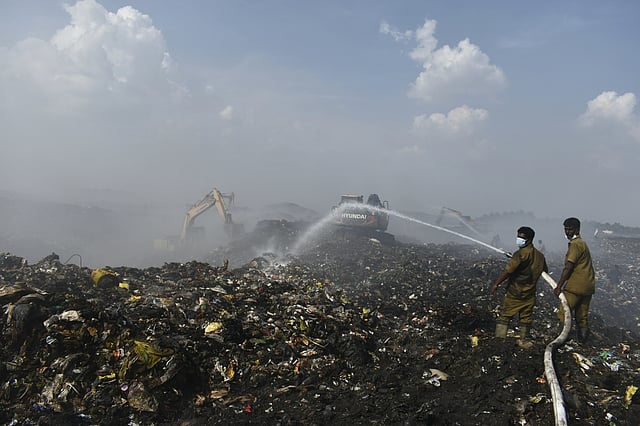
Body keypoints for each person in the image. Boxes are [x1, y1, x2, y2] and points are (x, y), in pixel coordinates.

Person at [492, 226, 548, 339]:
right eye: (518, 237)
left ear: (529, 239)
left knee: (505, 316)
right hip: (529, 293)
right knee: (525, 319)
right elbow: (544, 270)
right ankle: (523, 339)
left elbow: (508, 271)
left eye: (521, 238)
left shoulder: (519, 254)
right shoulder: (540, 256)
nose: (518, 239)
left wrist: (496, 284)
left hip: (515, 292)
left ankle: (499, 339)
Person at [553, 217, 596, 343]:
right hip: (588, 285)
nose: (567, 232)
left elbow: (569, 266)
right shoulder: (582, 243)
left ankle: (560, 340)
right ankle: (583, 342)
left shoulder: (575, 244)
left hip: (576, 286)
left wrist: (559, 286)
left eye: (570, 229)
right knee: (582, 315)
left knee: (564, 313)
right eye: (566, 229)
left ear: (577, 229)